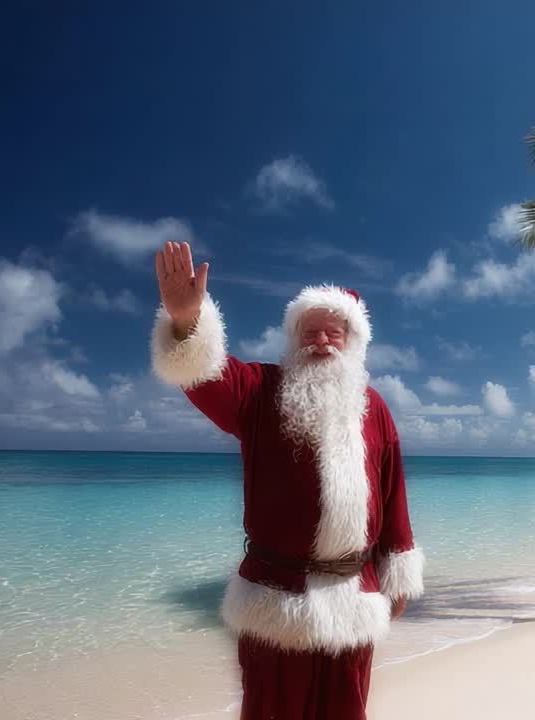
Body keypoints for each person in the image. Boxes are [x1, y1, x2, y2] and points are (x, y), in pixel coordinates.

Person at [150, 241, 424, 719]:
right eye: (310, 332)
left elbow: (391, 491)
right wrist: (186, 321)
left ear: (352, 340)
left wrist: (396, 573)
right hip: (274, 602)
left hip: (353, 598)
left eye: (333, 332)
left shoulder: (375, 407)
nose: (321, 341)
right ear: (294, 340)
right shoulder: (259, 390)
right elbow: (208, 377)